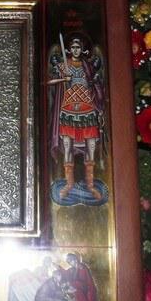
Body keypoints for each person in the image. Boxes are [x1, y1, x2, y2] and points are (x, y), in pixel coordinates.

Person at [48, 33, 106, 199]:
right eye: (73, 47)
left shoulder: (88, 66)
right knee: (67, 146)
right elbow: (49, 82)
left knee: (90, 146)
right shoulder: (63, 66)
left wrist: (95, 86)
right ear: (69, 49)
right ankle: (69, 184)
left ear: (82, 49)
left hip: (87, 109)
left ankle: (90, 185)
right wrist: (63, 79)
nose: (75, 50)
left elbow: (97, 85)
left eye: (78, 47)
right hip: (69, 110)